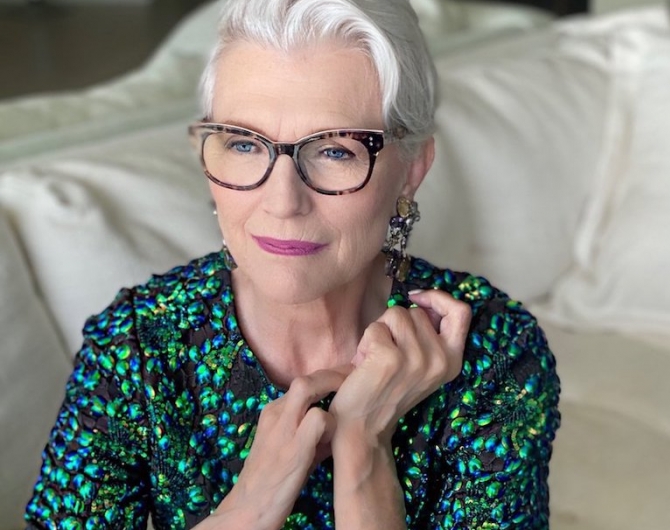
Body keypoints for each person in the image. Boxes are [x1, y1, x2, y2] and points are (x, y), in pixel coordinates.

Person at [24, 0, 560, 528]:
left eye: (334, 150)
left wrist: (364, 451)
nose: (282, 201)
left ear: (411, 171)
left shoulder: (493, 351)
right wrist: (250, 506)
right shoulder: (137, 344)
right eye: (243, 144)